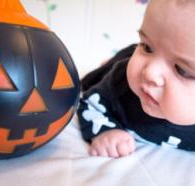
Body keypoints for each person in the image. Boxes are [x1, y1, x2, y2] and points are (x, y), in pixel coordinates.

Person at [77, 0, 195, 158]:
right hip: (122, 63)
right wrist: (106, 131)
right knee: (97, 77)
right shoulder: (120, 84)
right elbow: (91, 103)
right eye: (147, 46)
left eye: (182, 70)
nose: (150, 73)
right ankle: (108, 64)